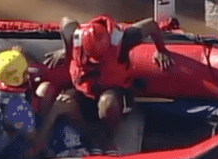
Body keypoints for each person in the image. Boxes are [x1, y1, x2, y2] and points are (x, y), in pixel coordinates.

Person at [43, 14, 173, 149]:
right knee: (65, 102)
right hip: (83, 89)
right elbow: (65, 22)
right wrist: (66, 50)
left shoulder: (124, 38)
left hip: (111, 89)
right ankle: (88, 133)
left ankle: (108, 136)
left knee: (108, 104)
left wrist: (161, 50)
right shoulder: (75, 34)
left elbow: (151, 24)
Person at [0, 47, 63, 159]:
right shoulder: (18, 107)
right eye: (25, 72)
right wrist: (54, 113)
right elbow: (35, 141)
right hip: (1, 154)